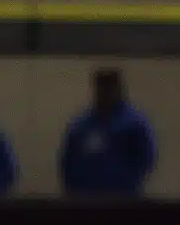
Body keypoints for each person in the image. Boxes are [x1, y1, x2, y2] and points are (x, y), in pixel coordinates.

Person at [59, 68, 157, 197]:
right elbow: (67, 160)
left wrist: (126, 182)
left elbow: (146, 159)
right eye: (101, 87)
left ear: (118, 89)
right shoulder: (81, 124)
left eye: (110, 87)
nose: (105, 92)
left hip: (123, 197)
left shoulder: (134, 123)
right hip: (84, 198)